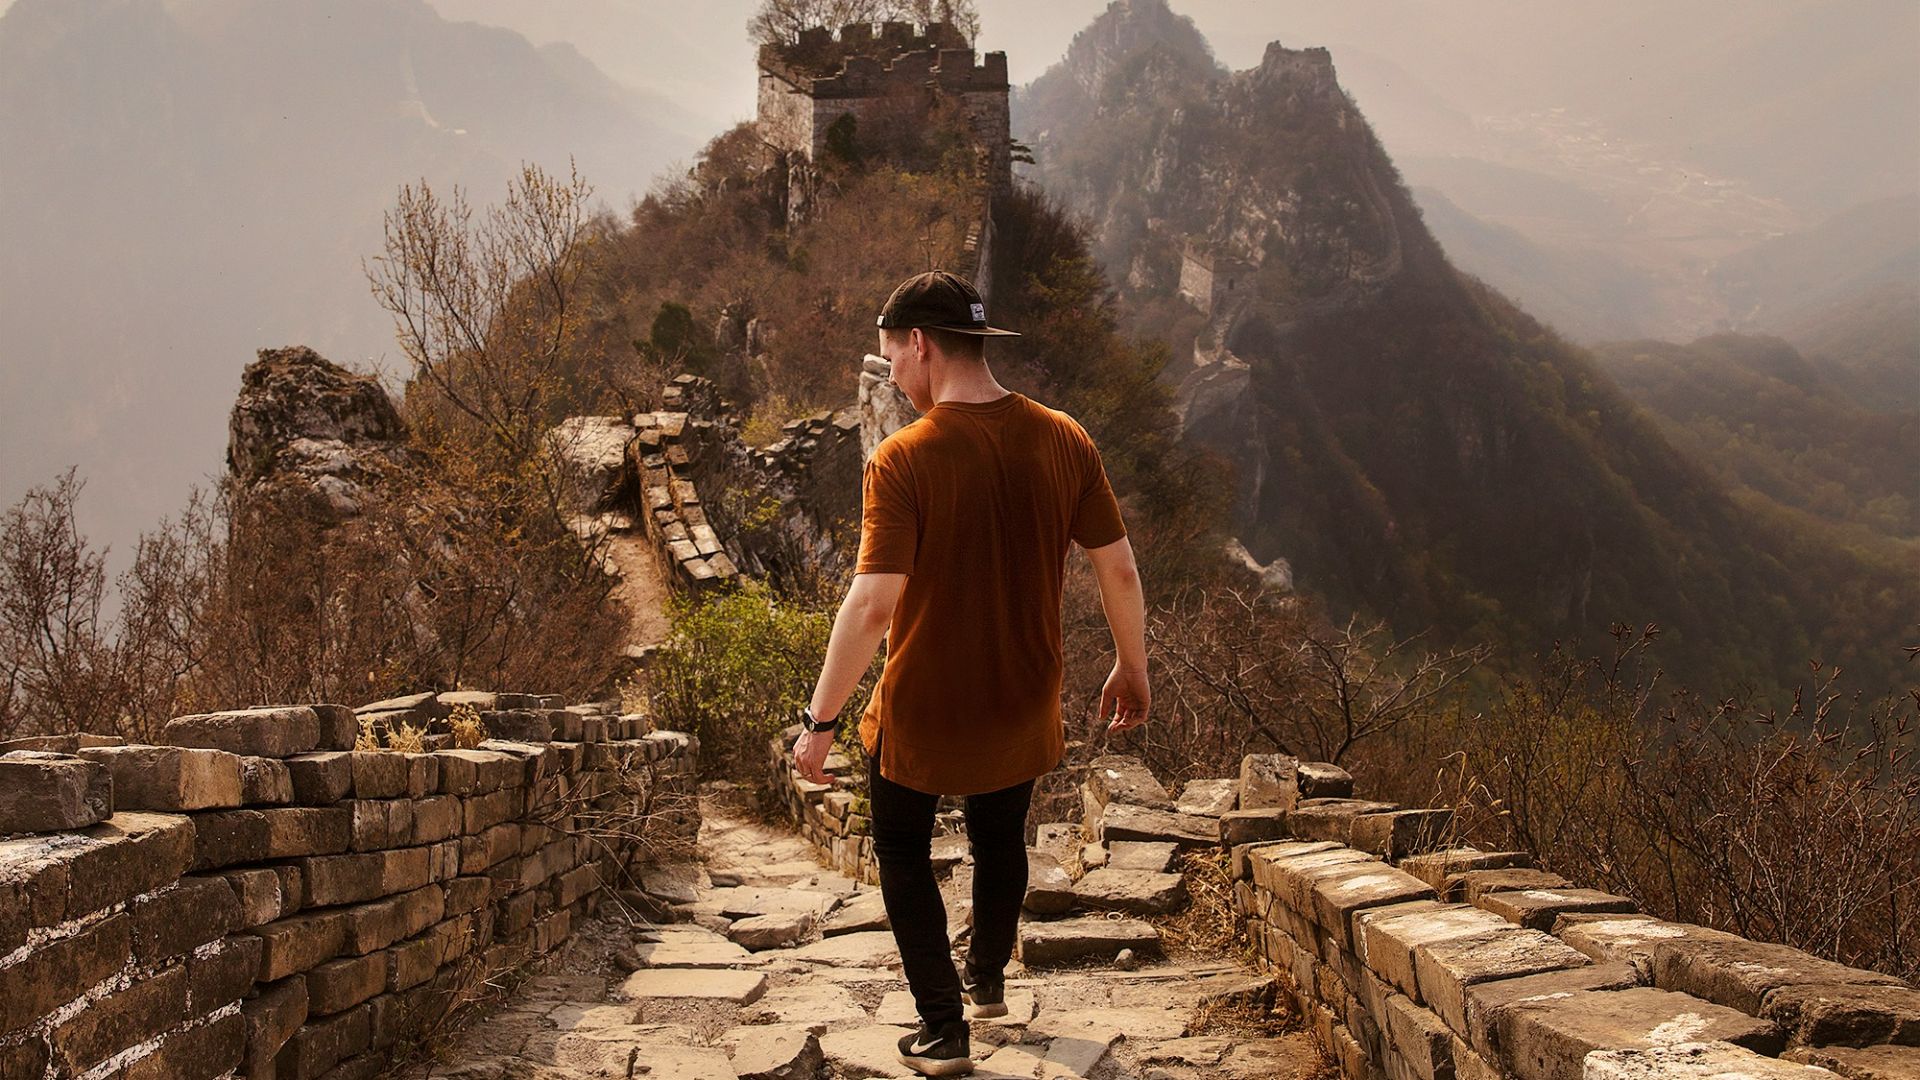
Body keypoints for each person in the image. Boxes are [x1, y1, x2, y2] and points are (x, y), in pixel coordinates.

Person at [791, 269, 1151, 1077]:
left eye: (892, 362)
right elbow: (1118, 569)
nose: (895, 379)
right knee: (1000, 840)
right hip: (1024, 697)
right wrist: (1133, 666)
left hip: (923, 709)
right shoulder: (1064, 437)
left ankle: (942, 1026)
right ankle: (985, 980)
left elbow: (873, 607)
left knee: (904, 851)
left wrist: (819, 724)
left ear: (919, 345)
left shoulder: (904, 458)